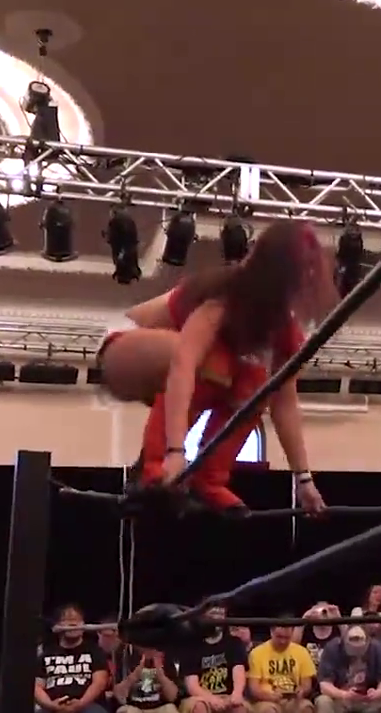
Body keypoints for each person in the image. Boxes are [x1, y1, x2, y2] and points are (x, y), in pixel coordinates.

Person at [96, 219, 334, 514]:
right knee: (213, 364)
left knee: (257, 387)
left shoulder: (284, 328)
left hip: (185, 369)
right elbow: (184, 364)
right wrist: (175, 451)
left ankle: (209, 479)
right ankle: (152, 468)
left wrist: (303, 478)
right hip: (122, 349)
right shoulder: (227, 296)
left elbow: (284, 402)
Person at [36, 604, 111, 713]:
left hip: (88, 705)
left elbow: (99, 682)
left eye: (77, 620)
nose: (73, 624)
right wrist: (50, 705)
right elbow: (36, 687)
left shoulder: (95, 652)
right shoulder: (47, 654)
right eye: (67, 620)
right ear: (57, 626)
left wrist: (81, 704)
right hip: (53, 705)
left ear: (84, 625)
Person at [178, 603, 249, 713]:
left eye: (220, 614)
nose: (217, 619)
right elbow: (192, 686)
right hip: (199, 697)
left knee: (239, 707)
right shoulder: (191, 646)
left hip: (227, 695)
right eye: (213, 614)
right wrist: (211, 699)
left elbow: (238, 670)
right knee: (199, 706)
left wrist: (236, 694)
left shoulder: (234, 643)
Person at [315, 626, 381, 713]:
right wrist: (343, 694)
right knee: (323, 701)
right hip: (341, 697)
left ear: (367, 642)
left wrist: (377, 692)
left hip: (369, 698)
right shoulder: (332, 648)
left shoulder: (378, 648)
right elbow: (325, 685)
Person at [248, 618, 317, 713]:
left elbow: (306, 684)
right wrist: (268, 696)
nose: (283, 641)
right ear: (271, 632)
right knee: (269, 710)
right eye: (279, 637)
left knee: (306, 708)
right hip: (266, 700)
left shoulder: (302, 652)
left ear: (292, 634)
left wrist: (302, 690)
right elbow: (254, 688)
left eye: (287, 638)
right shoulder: (257, 653)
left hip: (292, 699)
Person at [113, 645, 180, 713]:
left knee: (170, 709)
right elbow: (119, 696)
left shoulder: (166, 652)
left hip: (161, 706)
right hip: (133, 706)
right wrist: (134, 676)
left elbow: (172, 697)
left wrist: (161, 676)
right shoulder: (125, 651)